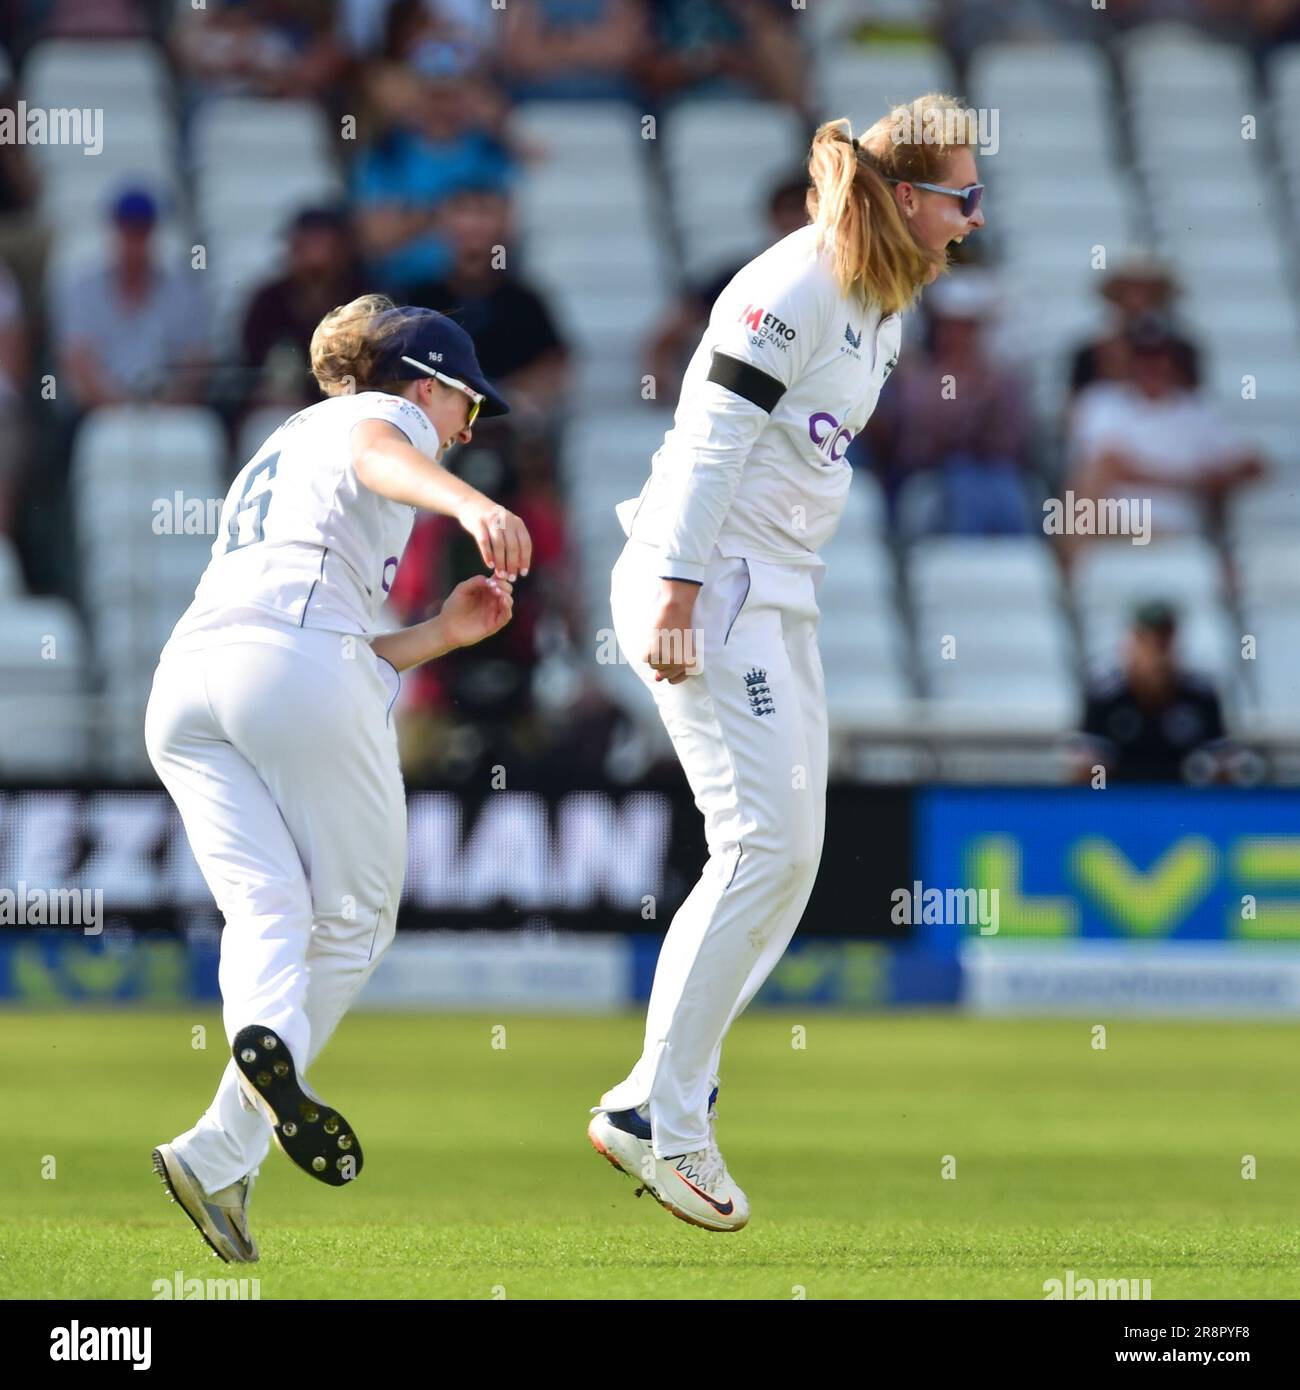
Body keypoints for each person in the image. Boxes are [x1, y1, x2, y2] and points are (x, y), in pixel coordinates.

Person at [590, 96, 985, 1230]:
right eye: (958, 196)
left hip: (773, 588)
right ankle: (661, 1114)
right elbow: (711, 436)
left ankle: (655, 1094)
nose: (972, 216)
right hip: (708, 581)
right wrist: (670, 587)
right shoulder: (797, 281)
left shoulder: (880, 298)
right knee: (764, 840)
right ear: (903, 195)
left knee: (791, 851)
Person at [145, 295, 532, 1263]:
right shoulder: (386, 419)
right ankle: (228, 1141)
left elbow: (333, 640)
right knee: (356, 919)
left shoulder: (279, 440)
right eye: (466, 407)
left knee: (272, 910)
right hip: (290, 665)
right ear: (427, 383)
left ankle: (218, 1149)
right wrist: (472, 502)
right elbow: (379, 450)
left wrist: (440, 632)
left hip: (188, 684)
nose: (465, 428)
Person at [53, 187, 211, 412]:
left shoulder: (182, 291)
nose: (134, 242)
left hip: (171, 408)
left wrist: (167, 403)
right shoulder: (83, 290)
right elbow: (76, 362)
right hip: (99, 410)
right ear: (115, 231)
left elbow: (197, 360)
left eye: (141, 232)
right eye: (128, 232)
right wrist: (117, 407)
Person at [1078, 602, 1229, 784]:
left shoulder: (1200, 697)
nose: (1157, 650)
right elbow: (1088, 770)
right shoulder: (1106, 697)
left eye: (1165, 640)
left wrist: (1213, 769)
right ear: (1132, 642)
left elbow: (1221, 763)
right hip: (1119, 803)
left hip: (1185, 803)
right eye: (1147, 640)